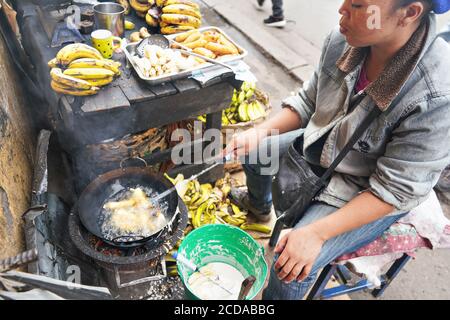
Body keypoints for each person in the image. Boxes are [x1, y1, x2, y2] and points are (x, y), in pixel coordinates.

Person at [224, 0, 450, 300]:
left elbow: (394, 190)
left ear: (409, 13)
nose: (342, 10)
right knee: (256, 156)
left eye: (358, 5)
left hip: (367, 189)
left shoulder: (436, 94)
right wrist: (259, 132)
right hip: (328, 142)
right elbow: (308, 101)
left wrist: (315, 234)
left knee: (289, 267)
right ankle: (261, 209)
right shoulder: (344, 40)